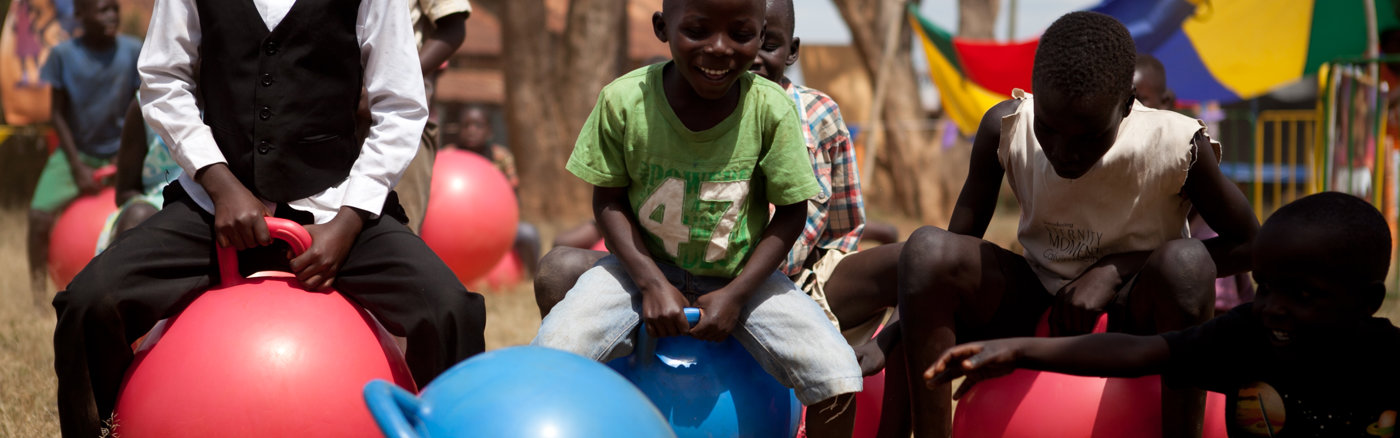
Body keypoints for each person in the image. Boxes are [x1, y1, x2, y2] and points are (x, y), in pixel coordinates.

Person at [51, 0, 488, 436]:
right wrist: (219, 183)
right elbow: (162, 79)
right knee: (89, 303)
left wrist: (351, 220)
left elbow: (401, 105)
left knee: (451, 312)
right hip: (215, 206)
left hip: (334, 208)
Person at [894, 11, 1257, 437]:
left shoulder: (1175, 145)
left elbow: (1251, 244)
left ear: (1127, 105)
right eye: (1049, 129)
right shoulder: (1007, 127)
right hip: (1033, 298)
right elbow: (950, 261)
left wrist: (1117, 268)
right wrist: (895, 334)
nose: (1063, 151)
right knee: (925, 250)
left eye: (1086, 138)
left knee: (1187, 264)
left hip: (1135, 315)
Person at [530, 0, 863, 435]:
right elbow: (607, 201)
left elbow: (790, 214)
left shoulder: (771, 109)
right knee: (548, 359)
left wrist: (739, 294)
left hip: (742, 278)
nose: (719, 48)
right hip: (638, 274)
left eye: (740, 34)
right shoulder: (625, 100)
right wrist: (650, 281)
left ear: (761, 37)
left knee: (838, 376)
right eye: (698, 30)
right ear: (662, 27)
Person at [930, 192, 1399, 437]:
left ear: (1368, 302)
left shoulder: (1388, 362)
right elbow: (1139, 353)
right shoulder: (1249, 337)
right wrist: (1019, 350)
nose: (1274, 305)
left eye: (1303, 294)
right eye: (1266, 286)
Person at [26, 0, 140, 310]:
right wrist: (76, 167)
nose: (112, 16)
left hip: (124, 152)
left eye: (115, 9)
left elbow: (140, 106)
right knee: (37, 218)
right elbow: (57, 115)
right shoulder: (62, 56)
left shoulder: (133, 51)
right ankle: (38, 299)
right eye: (103, 10)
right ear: (79, 15)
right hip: (76, 155)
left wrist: (125, 159)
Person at [393, 0, 471, 234]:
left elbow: (453, 27)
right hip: (328, 115)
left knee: (399, 230)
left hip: (401, 118)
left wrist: (393, 87)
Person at [450, 104, 541, 276]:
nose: (471, 130)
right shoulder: (448, 157)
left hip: (495, 226)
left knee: (529, 234)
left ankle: (533, 277)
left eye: (478, 125)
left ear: (489, 131)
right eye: (466, 125)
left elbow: (513, 197)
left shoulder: (501, 157)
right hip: (456, 228)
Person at [93, 99, 183, 253]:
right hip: (158, 202)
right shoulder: (145, 106)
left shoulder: (226, 102)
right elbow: (125, 192)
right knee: (136, 217)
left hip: (213, 200)